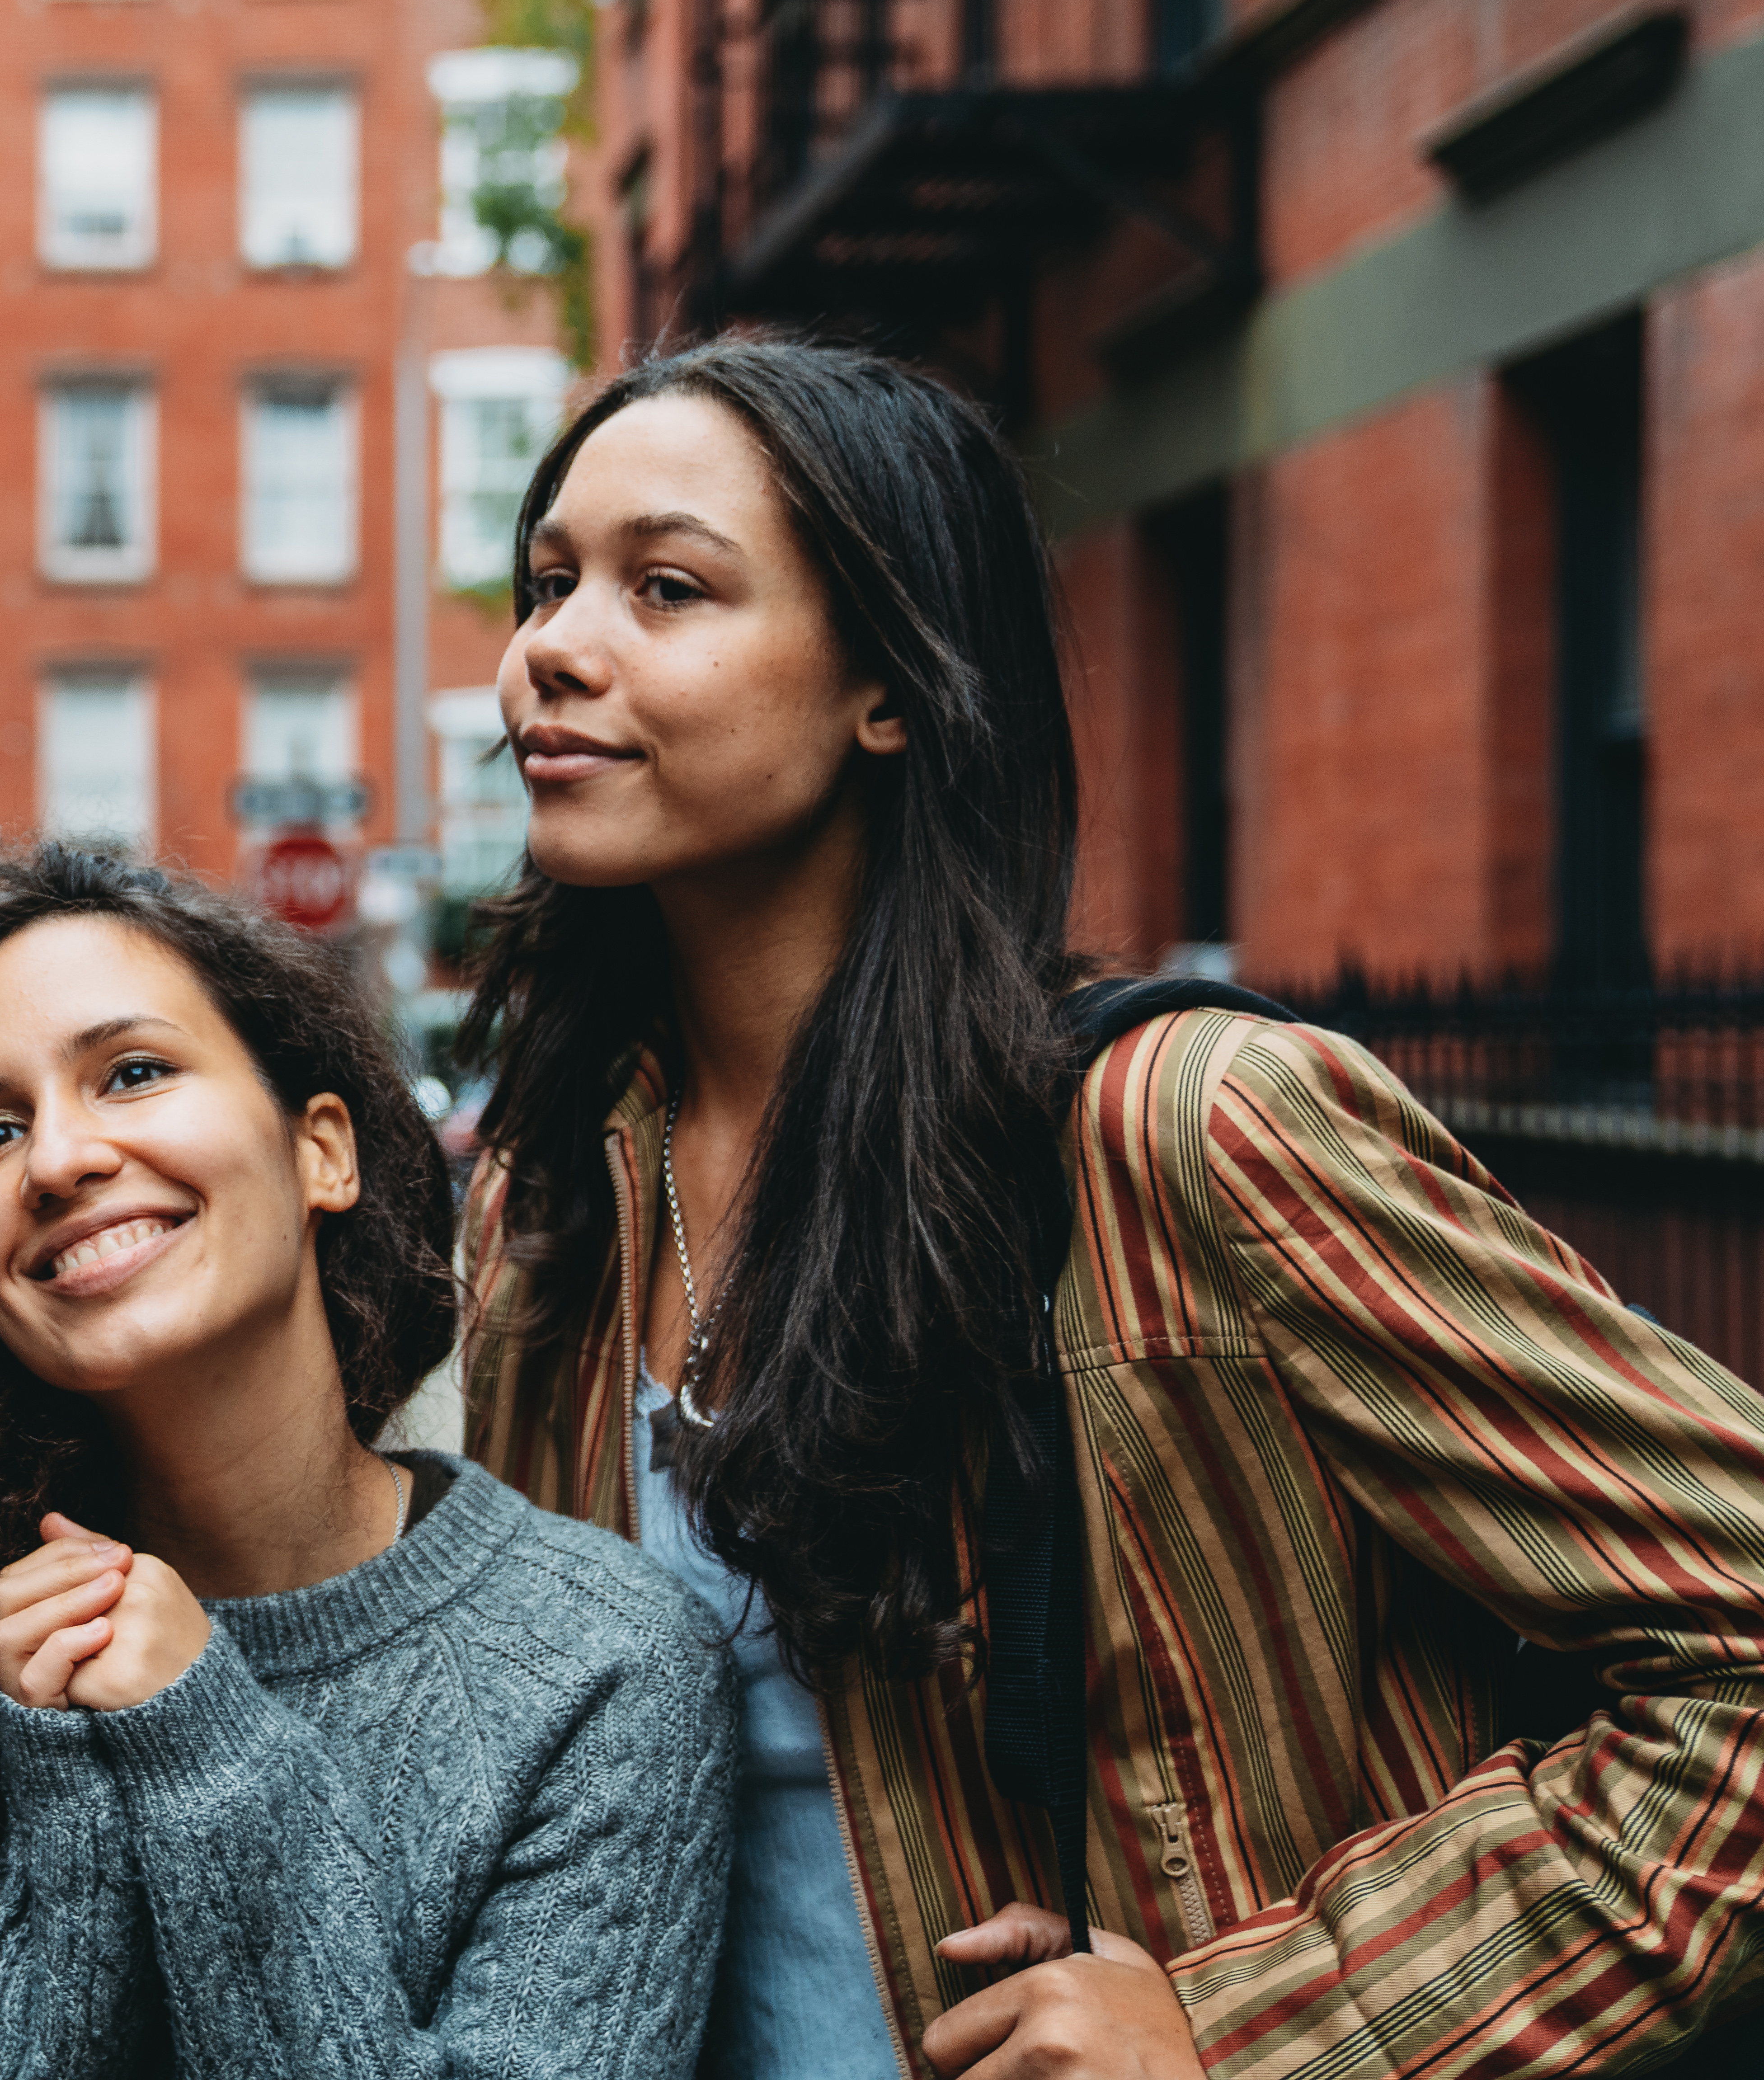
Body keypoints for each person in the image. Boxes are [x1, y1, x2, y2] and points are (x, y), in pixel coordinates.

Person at [451, 334, 1764, 2080]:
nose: (553, 646)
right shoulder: (555, 1217)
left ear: (888, 686)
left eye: (665, 587)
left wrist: (1241, 2037)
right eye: (549, 584)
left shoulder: (1189, 1139)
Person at [0, 844, 736, 2078]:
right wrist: (68, 1811)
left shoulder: (601, 1668)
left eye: (132, 1074)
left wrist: (212, 1756)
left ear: (320, 1152)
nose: (60, 1160)